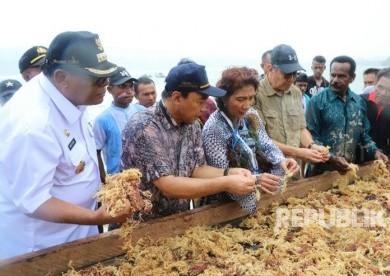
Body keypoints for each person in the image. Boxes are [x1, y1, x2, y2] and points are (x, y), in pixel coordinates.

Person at [0, 31, 130, 259]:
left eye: (106, 77)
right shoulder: (33, 125)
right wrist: (96, 218)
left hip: (78, 231)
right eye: (98, 79)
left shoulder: (73, 94)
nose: (106, 85)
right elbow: (34, 201)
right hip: (43, 245)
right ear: (61, 77)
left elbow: (86, 154)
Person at [120, 62, 255, 220]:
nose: (205, 108)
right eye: (200, 101)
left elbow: (197, 169)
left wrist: (229, 172)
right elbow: (168, 186)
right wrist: (225, 182)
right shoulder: (145, 127)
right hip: (140, 225)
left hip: (176, 220)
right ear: (177, 97)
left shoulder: (192, 124)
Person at [201, 67, 299, 213]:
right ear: (224, 98)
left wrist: (282, 161)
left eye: (251, 98)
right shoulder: (214, 127)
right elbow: (224, 173)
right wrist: (256, 179)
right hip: (227, 204)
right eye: (240, 99)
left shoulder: (251, 115)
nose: (247, 105)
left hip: (259, 194)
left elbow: (265, 144)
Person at [255, 44, 329, 178]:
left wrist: (312, 146)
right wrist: (299, 152)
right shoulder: (256, 94)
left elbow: (300, 128)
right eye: (287, 74)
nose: (291, 79)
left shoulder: (295, 92)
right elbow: (261, 139)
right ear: (270, 68)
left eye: (295, 74)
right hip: (269, 172)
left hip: (294, 170)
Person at [306, 55, 388, 176]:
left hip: (349, 171)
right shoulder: (317, 101)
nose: (335, 80)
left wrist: (375, 152)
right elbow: (311, 137)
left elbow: (364, 136)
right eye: (333, 75)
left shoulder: (359, 102)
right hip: (320, 172)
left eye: (341, 76)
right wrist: (331, 158)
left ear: (352, 78)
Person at [93, 67, 145, 183]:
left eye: (131, 86)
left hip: (143, 178)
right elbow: (95, 152)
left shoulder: (141, 111)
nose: (129, 91)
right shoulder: (103, 120)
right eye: (122, 87)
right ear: (110, 89)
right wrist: (105, 182)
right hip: (118, 181)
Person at [361, 68, 390, 176]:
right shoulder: (360, 102)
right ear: (375, 83)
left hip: (382, 160)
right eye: (380, 87)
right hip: (356, 158)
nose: (383, 93)